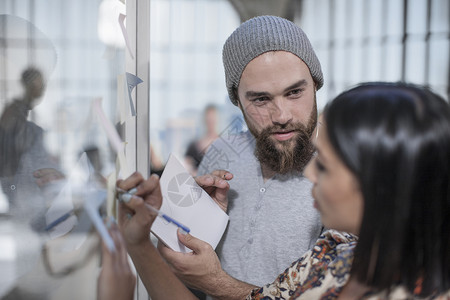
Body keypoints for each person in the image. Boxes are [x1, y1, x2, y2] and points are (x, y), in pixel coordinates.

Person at [116, 81, 450, 299]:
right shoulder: (330, 257)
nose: (310, 174)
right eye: (260, 98)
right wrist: (140, 242)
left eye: (325, 165)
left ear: (381, 183)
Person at [159, 15, 324, 294]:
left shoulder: (343, 176)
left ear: (316, 84)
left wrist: (216, 283)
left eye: (295, 92)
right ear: (237, 100)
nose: (282, 116)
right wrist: (185, 229)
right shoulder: (222, 154)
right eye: (261, 99)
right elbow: (187, 268)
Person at [184, 104, 220, 176]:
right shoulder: (193, 146)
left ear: (217, 120)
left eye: (212, 119)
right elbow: (186, 166)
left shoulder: (225, 145)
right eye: (208, 119)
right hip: (196, 184)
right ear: (204, 120)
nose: (210, 122)